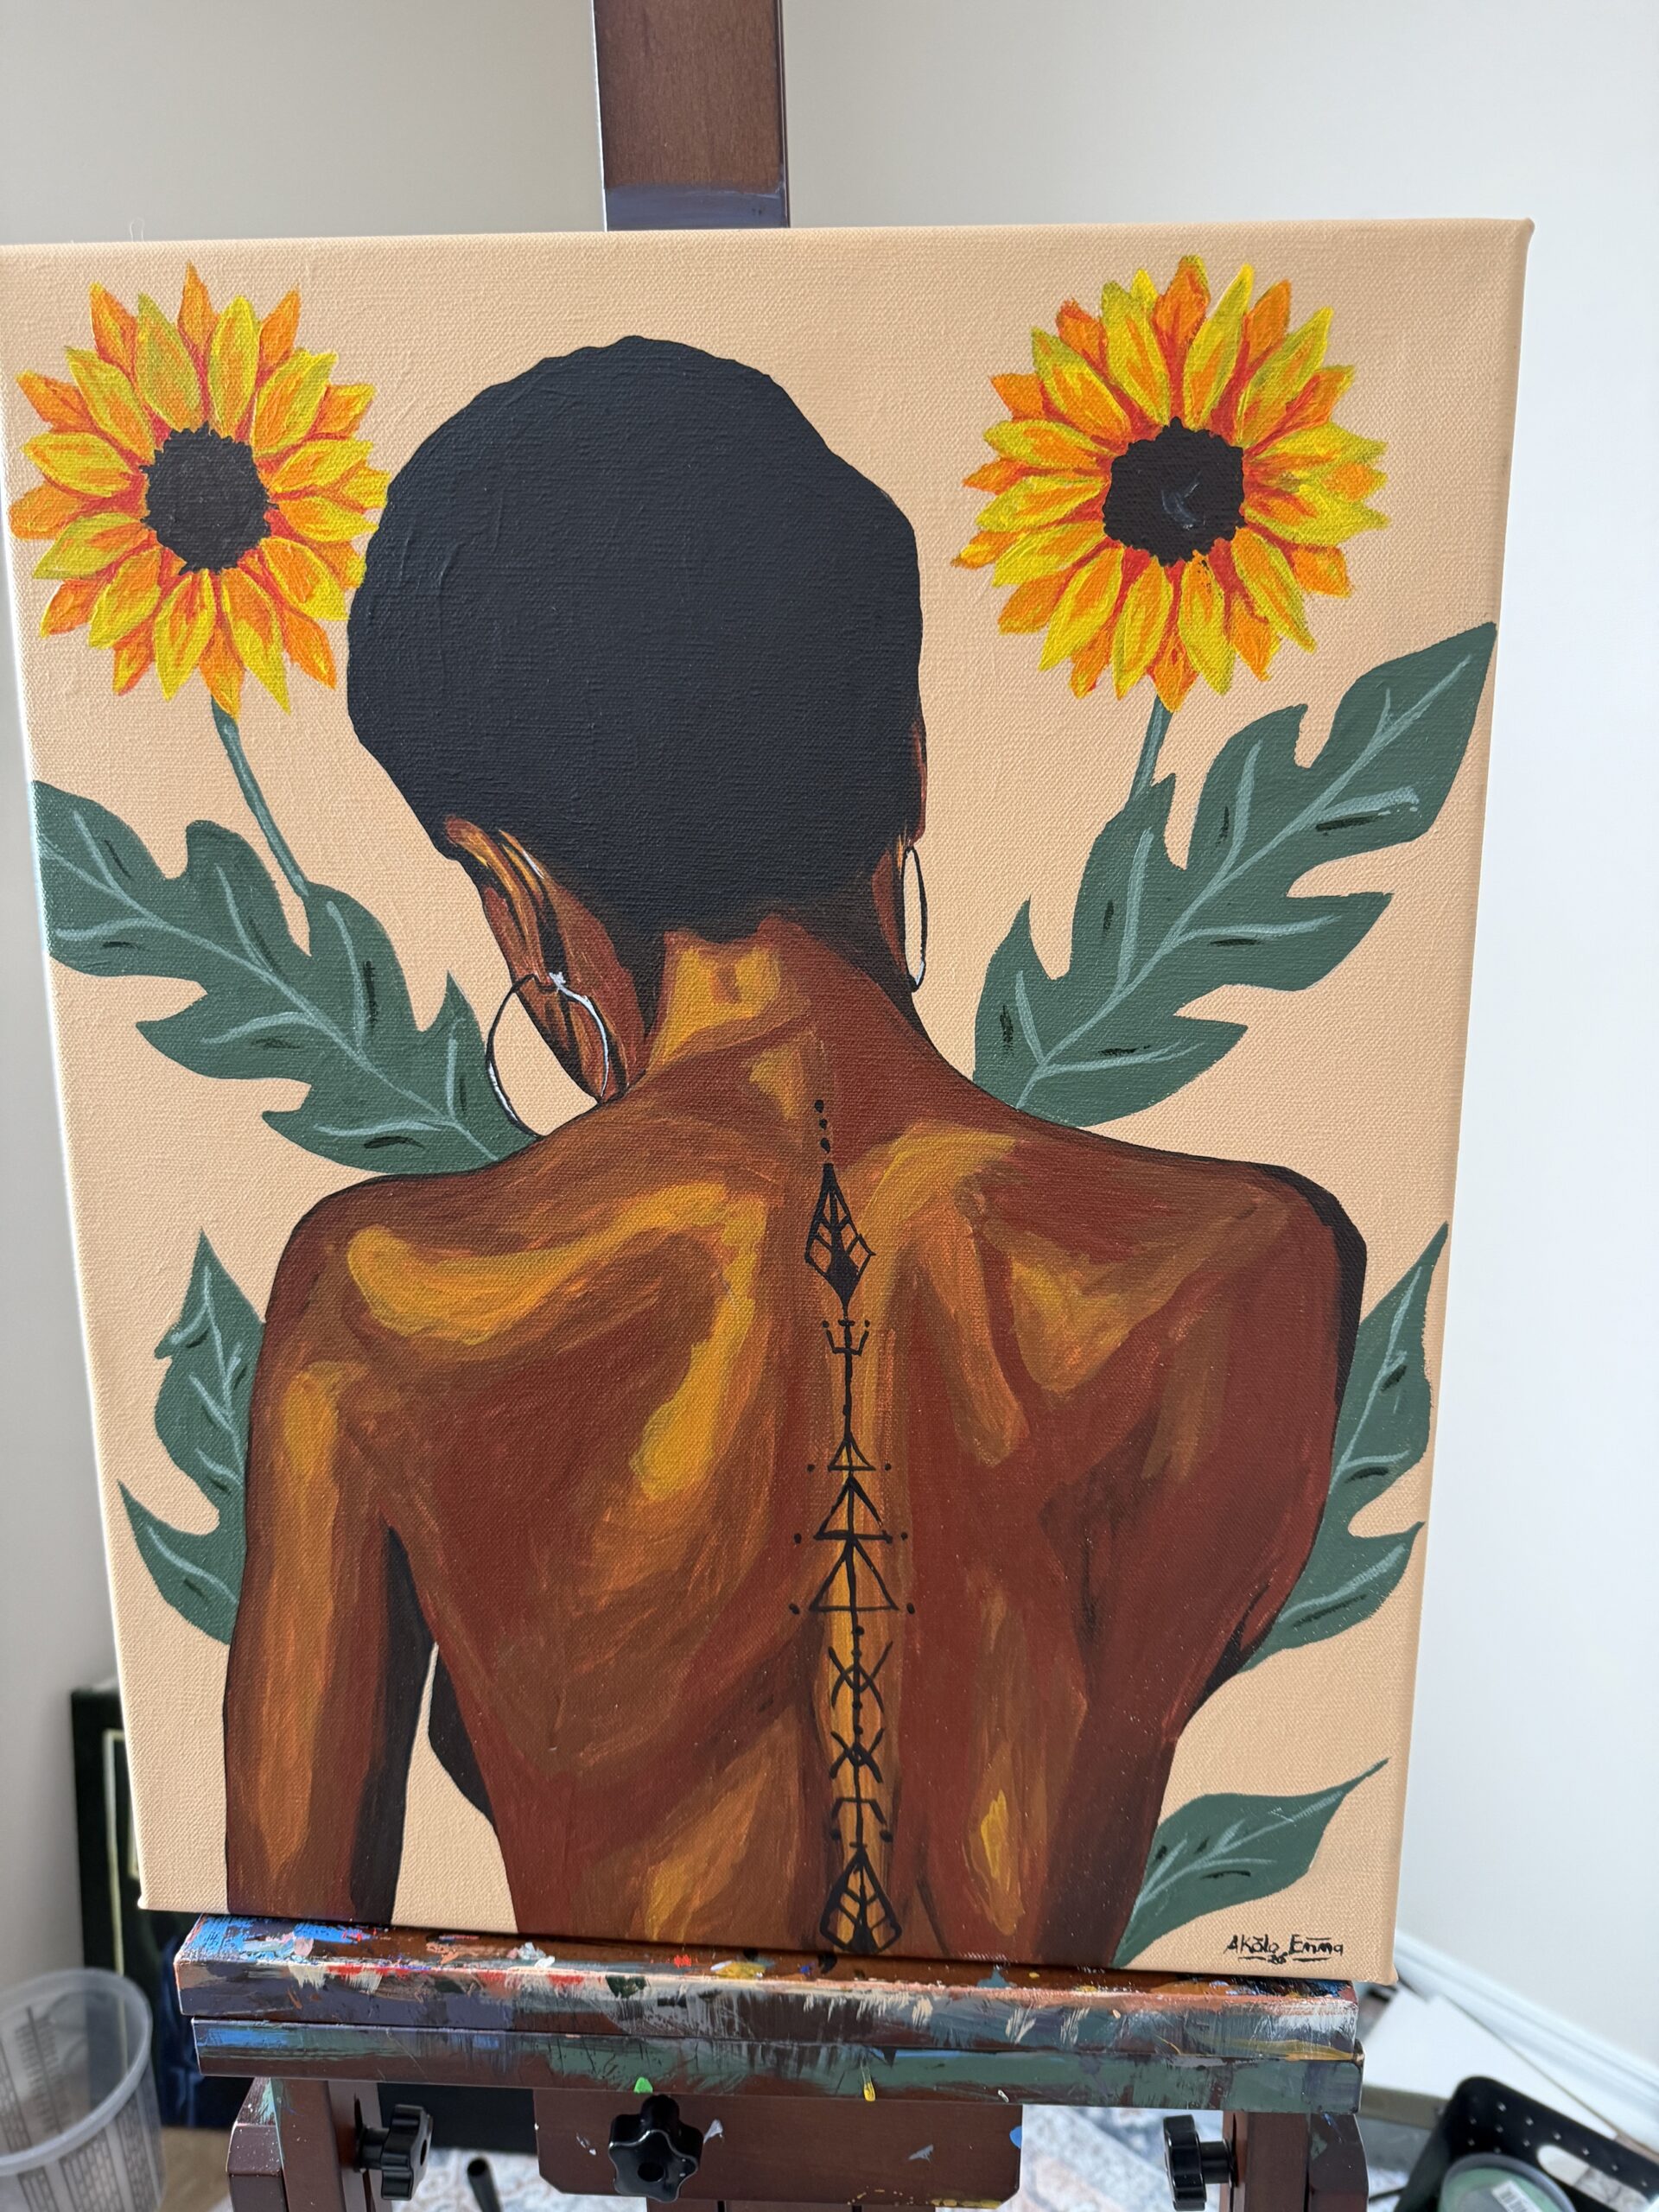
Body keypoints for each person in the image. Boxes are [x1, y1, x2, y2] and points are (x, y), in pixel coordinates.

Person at [224, 339, 1362, 1961]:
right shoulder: (1246, 1281)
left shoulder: (379, 1304)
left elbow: (295, 1995)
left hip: (627, 2117)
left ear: (512, 883)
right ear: (908, 764)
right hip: (1016, 2117)